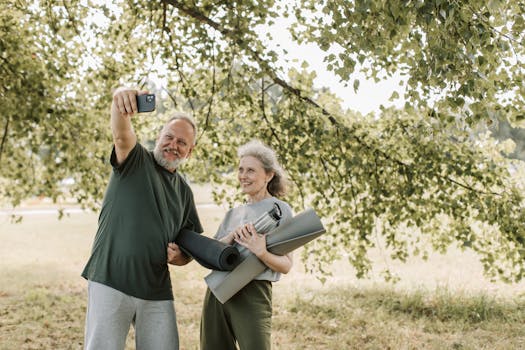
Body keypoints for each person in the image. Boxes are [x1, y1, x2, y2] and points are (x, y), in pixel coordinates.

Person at [81, 87, 203, 350]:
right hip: (111, 279)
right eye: (169, 137)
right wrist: (119, 98)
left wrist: (179, 257)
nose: (173, 145)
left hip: (156, 289)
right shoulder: (136, 160)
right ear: (158, 137)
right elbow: (121, 134)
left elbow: (189, 248)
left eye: (182, 143)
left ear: (189, 151)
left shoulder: (184, 192)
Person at [200, 139, 294, 350]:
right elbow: (212, 255)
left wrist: (261, 252)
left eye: (251, 170)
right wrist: (231, 236)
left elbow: (286, 265)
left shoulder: (280, 210)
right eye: (241, 169)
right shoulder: (233, 213)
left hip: (253, 292)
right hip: (217, 291)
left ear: (269, 175)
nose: (243, 176)